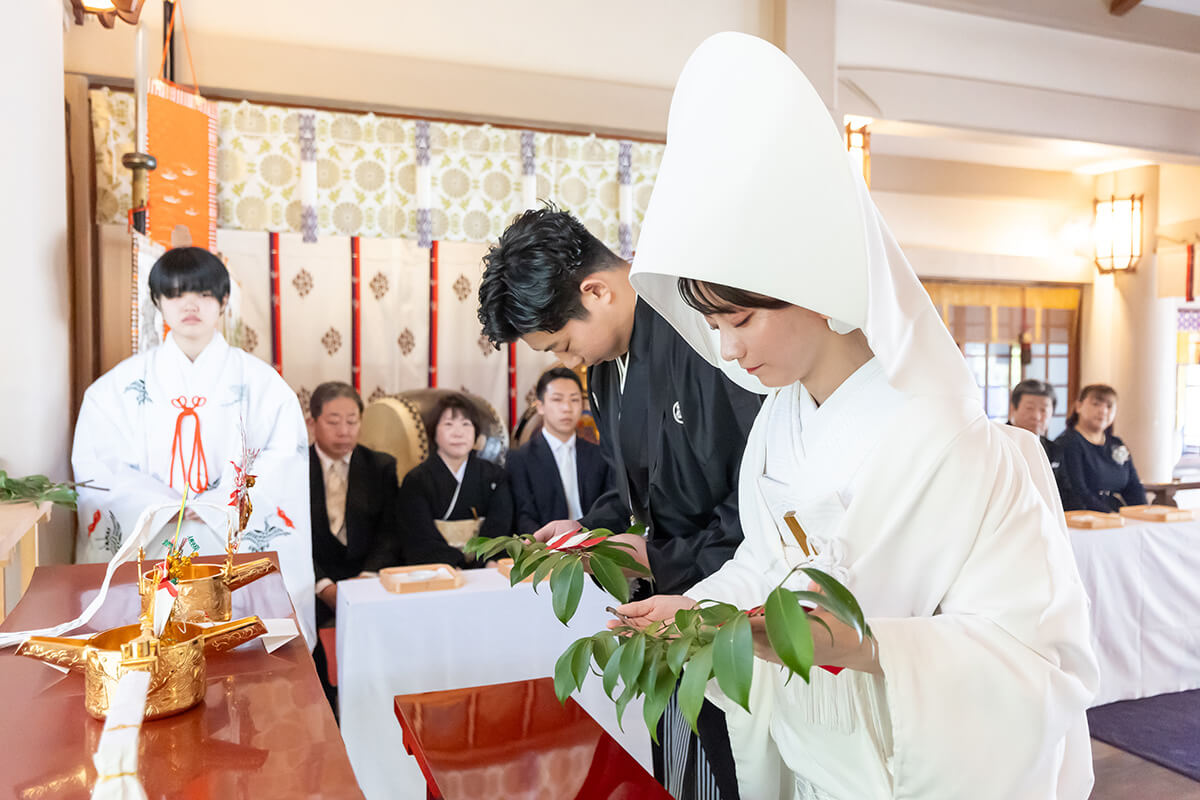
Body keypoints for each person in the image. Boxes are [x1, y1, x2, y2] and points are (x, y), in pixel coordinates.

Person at [613, 33, 1098, 800]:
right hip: (810, 757)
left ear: (819, 286)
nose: (727, 350)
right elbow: (766, 566)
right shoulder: (782, 421)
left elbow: (1035, 663)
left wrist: (867, 647)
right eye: (715, 325)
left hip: (902, 769)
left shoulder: (971, 450)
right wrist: (697, 611)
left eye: (740, 319)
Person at [479, 209, 760, 798]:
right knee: (677, 759)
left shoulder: (703, 330)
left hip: (730, 591)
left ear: (597, 291)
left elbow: (759, 486)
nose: (570, 360)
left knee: (730, 766)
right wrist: (585, 531)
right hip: (665, 599)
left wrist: (663, 558)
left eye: (563, 343)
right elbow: (632, 488)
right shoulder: (607, 366)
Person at [72, 247, 316, 648]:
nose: (190, 305)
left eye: (203, 294)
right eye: (176, 294)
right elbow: (100, 465)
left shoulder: (263, 384)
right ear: (157, 302)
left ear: (223, 302)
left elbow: (282, 456)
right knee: (150, 651)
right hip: (153, 538)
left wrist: (217, 506)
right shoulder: (114, 389)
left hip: (230, 543)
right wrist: (172, 507)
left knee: (244, 660)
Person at [309, 382, 405, 627]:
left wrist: (367, 577)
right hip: (312, 582)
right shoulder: (293, 469)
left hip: (369, 578)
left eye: (352, 422)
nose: (344, 431)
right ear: (312, 423)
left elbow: (391, 532)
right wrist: (323, 586)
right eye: (333, 422)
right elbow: (288, 537)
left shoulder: (380, 466)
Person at [397, 393, 514, 567]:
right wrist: (454, 563)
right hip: (437, 570)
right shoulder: (417, 480)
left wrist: (487, 561)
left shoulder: (495, 476)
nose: (458, 433)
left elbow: (500, 528)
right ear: (433, 432)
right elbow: (419, 537)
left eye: (466, 424)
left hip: (486, 569)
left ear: (476, 433)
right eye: (448, 424)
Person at [506, 367, 613, 533]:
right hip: (544, 550)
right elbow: (523, 516)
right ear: (540, 406)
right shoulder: (520, 458)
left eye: (574, 400)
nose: (567, 408)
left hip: (594, 546)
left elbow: (610, 507)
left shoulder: (600, 454)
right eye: (557, 400)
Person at [1056, 383, 1147, 512]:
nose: (1103, 411)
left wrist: (1142, 512)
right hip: (1084, 516)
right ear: (1078, 406)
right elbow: (1078, 491)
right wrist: (1111, 516)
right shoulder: (1069, 443)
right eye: (1096, 404)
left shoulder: (1116, 443)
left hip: (1116, 515)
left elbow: (1133, 486)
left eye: (1109, 406)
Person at [1008, 378, 1073, 504]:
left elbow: (1064, 492)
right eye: (1029, 408)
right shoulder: (998, 442)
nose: (1036, 416)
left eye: (1043, 410)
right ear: (1013, 408)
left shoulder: (1054, 449)